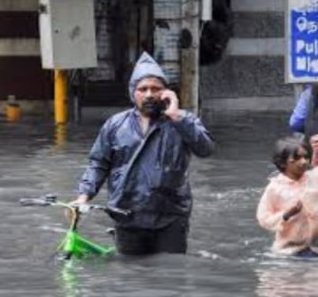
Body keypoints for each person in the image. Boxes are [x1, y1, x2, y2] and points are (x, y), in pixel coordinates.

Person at [71, 53, 215, 255]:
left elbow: (206, 149)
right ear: (133, 93)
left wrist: (176, 116)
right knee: (130, 276)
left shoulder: (183, 121)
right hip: (127, 214)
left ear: (165, 93)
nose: (149, 94)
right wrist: (83, 197)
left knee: (169, 272)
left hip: (170, 216)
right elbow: (98, 163)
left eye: (155, 89)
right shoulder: (115, 125)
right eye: (143, 89)